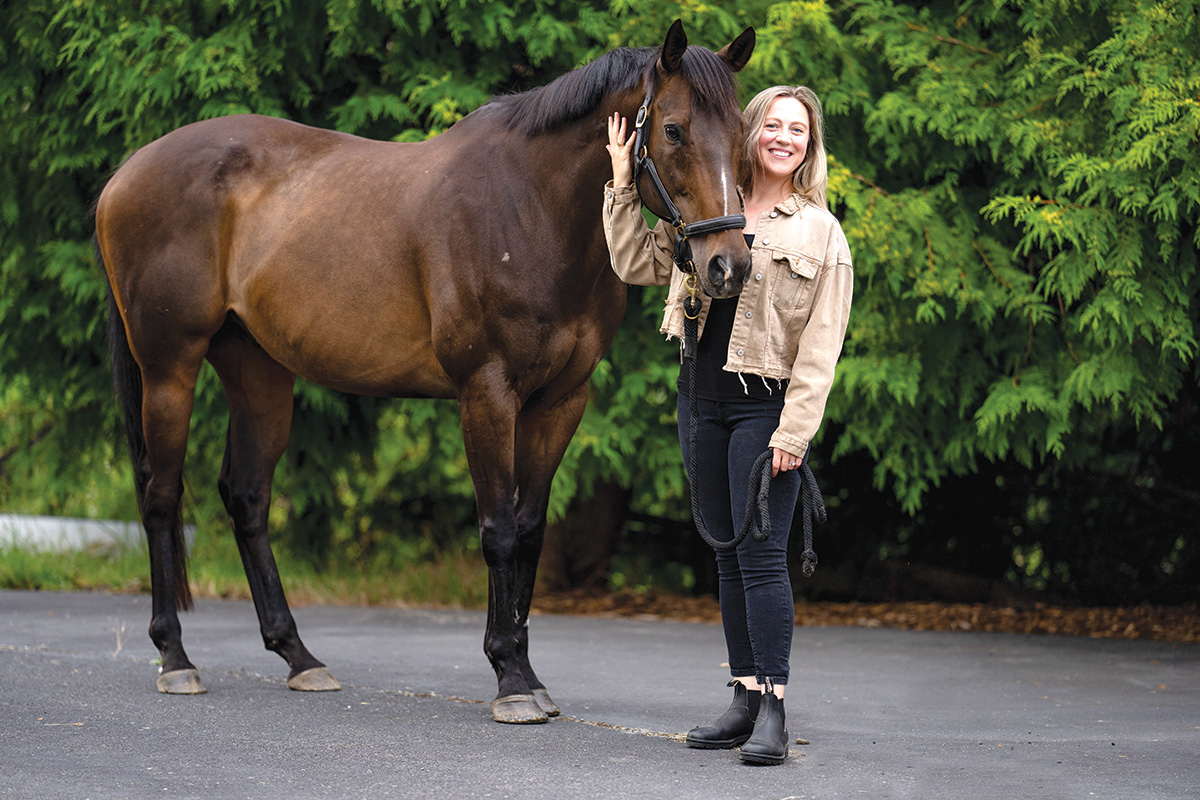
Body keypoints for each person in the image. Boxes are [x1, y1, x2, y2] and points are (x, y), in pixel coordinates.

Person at [602, 85, 853, 765]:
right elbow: (634, 262)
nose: (782, 136)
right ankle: (742, 696)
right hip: (701, 403)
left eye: (796, 129)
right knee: (725, 554)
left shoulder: (820, 232)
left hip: (764, 408)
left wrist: (793, 434)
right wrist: (623, 185)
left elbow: (821, 349)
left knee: (762, 557)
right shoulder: (713, 207)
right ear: (748, 132)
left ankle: (773, 707)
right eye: (771, 123)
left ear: (809, 145)